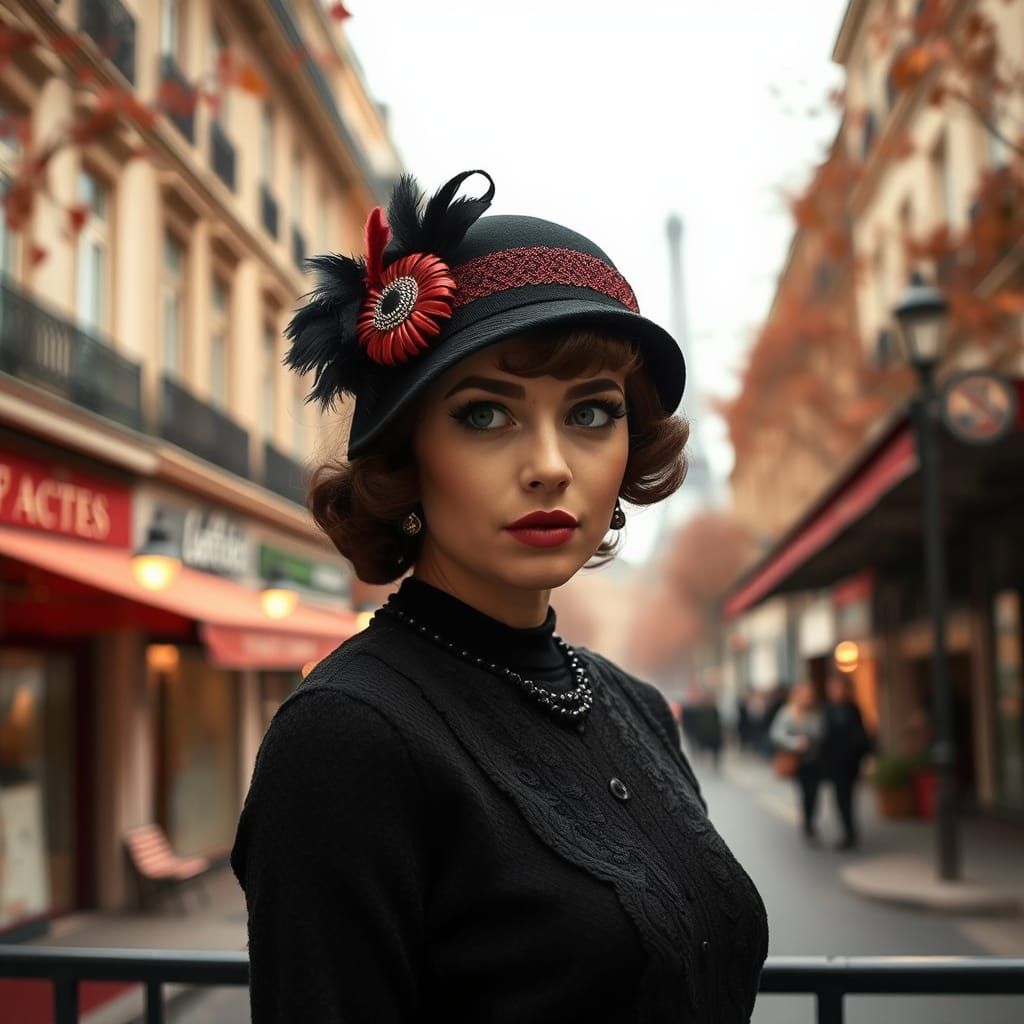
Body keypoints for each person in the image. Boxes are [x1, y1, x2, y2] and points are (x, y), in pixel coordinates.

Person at [229, 170, 768, 1023]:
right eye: (486, 414)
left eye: (592, 413)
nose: (552, 463)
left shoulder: (636, 707)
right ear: (408, 457)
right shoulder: (347, 739)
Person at [820, 672, 871, 850]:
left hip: (851, 762)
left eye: (838, 687)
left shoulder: (852, 709)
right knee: (840, 799)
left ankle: (850, 832)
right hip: (835, 764)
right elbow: (824, 738)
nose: (835, 691)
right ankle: (848, 831)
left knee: (849, 798)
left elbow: (861, 735)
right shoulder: (827, 710)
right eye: (833, 688)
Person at [770, 681, 824, 843]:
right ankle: (808, 824)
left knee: (815, 794)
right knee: (806, 793)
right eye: (806, 695)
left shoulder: (817, 712)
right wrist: (795, 743)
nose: (809, 698)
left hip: (816, 759)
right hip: (799, 761)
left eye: (811, 695)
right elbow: (776, 734)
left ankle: (811, 821)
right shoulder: (788, 712)